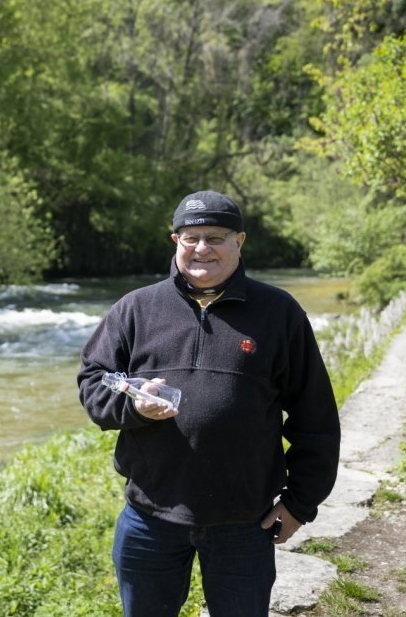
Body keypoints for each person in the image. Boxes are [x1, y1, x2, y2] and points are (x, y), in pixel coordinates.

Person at [77, 189, 340, 617]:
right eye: (191, 237)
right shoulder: (136, 309)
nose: (202, 248)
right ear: (174, 240)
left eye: (216, 237)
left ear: (239, 241)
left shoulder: (279, 313)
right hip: (149, 518)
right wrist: (134, 408)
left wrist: (299, 503)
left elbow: (317, 419)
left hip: (245, 523)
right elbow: (93, 382)